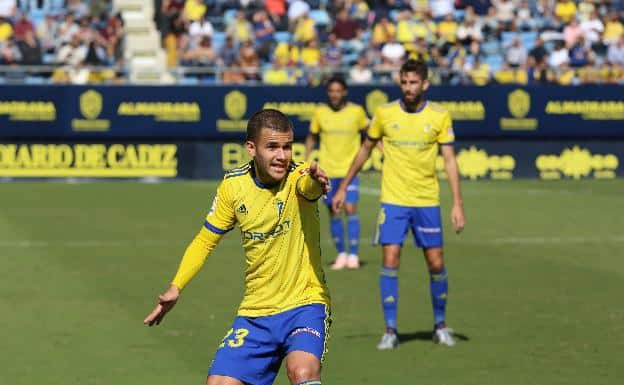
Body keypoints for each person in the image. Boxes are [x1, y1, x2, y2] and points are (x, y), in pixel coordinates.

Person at [144, 109, 332, 385]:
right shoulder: (233, 186)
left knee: (302, 372)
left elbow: (309, 187)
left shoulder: (298, 176)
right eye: (272, 147)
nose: (282, 156)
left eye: (287, 147)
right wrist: (176, 286)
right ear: (251, 148)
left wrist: (316, 180)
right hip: (255, 312)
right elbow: (206, 240)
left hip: (304, 304)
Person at [332, 59, 466, 349]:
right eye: (404, 82)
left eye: (413, 82)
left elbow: (450, 161)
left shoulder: (440, 116)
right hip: (393, 201)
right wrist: (342, 187)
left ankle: (440, 325)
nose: (408, 87)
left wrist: (457, 204)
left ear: (425, 84)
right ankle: (390, 330)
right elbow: (365, 150)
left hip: (427, 201)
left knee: (436, 263)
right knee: (390, 259)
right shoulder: (384, 113)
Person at [305, 75, 369, 270]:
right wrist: (308, 161)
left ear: (345, 92)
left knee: (350, 208)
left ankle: (354, 255)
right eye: (331, 91)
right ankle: (341, 254)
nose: (334, 94)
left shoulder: (357, 112)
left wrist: (383, 150)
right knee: (333, 211)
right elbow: (311, 137)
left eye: (338, 91)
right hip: (327, 171)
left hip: (350, 171)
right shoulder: (320, 112)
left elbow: (371, 134)